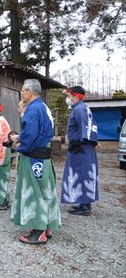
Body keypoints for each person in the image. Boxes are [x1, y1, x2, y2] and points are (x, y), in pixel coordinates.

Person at [10, 79, 61, 245]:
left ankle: (38, 232)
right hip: (44, 154)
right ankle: (46, 226)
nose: (22, 93)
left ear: (30, 92)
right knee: (44, 190)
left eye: (23, 90)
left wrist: (20, 146)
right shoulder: (43, 106)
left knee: (34, 192)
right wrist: (21, 137)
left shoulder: (32, 109)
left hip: (34, 156)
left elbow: (31, 134)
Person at [61, 86, 99, 216]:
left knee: (82, 174)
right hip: (83, 146)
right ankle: (83, 203)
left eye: (69, 96)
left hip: (81, 147)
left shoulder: (79, 109)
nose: (68, 98)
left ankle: (85, 207)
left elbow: (86, 127)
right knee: (83, 174)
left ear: (76, 97)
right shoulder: (82, 107)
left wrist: (82, 141)